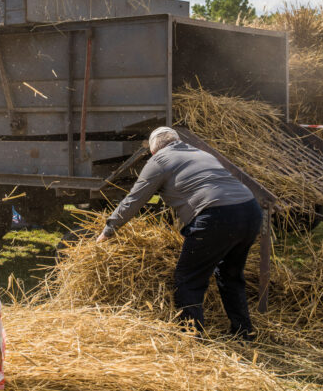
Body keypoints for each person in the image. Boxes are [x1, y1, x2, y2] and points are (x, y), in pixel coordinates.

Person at [96, 127, 261, 339]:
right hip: (250, 211)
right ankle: (243, 332)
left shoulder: (159, 161)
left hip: (215, 216)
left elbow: (134, 201)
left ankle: (190, 338)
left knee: (188, 278)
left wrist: (108, 230)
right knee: (230, 275)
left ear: (154, 150)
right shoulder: (200, 153)